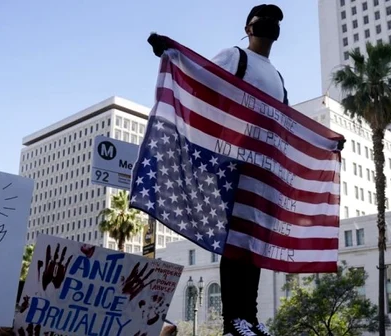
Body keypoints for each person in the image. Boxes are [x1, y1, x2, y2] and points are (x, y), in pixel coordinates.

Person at [148, 4, 286, 336]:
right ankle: (233, 321)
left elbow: (286, 123)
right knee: (238, 240)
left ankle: (249, 318)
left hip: (262, 168)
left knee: (252, 243)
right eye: (263, 20)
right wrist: (172, 52)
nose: (269, 25)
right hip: (233, 161)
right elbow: (201, 75)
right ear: (248, 28)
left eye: (275, 21)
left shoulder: (278, 76)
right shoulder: (235, 56)